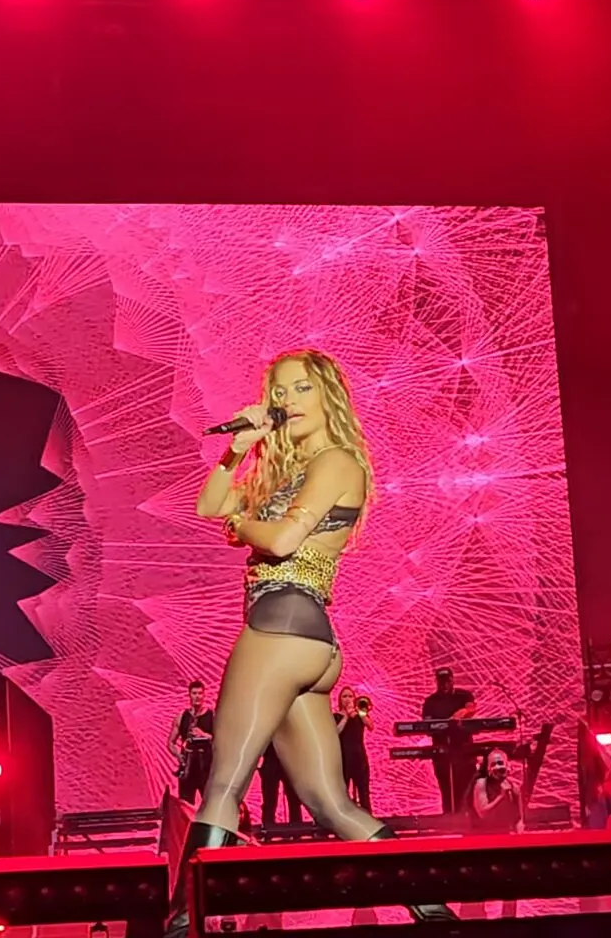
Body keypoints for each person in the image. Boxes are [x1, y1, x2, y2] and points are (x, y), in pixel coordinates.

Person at [170, 349, 455, 937]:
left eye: (301, 388)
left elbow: (280, 541)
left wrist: (241, 527)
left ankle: (180, 925)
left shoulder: (336, 461)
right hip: (305, 641)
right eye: (278, 392)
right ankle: (436, 911)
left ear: (328, 396)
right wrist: (237, 449)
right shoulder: (287, 471)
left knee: (224, 783)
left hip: (281, 629)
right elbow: (208, 504)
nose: (287, 401)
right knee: (329, 802)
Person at [419, 667, 477, 813]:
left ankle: (469, 816)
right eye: (441, 682)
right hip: (441, 748)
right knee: (446, 786)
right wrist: (441, 725)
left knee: (468, 784)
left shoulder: (463, 695)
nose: (444, 685)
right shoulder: (430, 701)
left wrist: (458, 715)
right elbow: (427, 725)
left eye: (447, 681)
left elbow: (470, 709)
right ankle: (449, 817)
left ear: (452, 680)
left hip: (463, 747)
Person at [169, 681, 216, 803]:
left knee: (209, 804)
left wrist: (204, 735)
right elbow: (170, 742)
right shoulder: (182, 716)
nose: (197, 696)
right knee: (185, 805)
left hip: (205, 768)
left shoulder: (212, 716)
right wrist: (179, 756)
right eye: (194, 693)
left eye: (200, 693)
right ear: (189, 695)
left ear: (204, 695)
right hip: (188, 767)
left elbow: (221, 741)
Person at [333, 687, 373, 810]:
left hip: (359, 758)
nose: (347, 699)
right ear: (340, 699)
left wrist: (360, 713)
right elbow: (336, 732)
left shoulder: (360, 715)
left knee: (364, 792)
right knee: (343, 793)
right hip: (344, 759)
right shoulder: (336, 716)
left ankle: (367, 817)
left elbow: (370, 726)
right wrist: (346, 716)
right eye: (344, 696)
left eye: (350, 696)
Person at [470, 749, 524, 834]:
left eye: (500, 763)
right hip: (482, 834)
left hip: (505, 834)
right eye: (493, 764)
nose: (497, 767)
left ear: (507, 766)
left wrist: (519, 829)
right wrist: (501, 797)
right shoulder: (482, 784)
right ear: (488, 769)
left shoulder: (513, 788)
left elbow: (519, 819)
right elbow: (483, 813)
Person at [257, 748, 303, 828]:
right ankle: (269, 826)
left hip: (277, 760)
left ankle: (295, 825)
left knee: (292, 800)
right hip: (278, 760)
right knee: (271, 800)